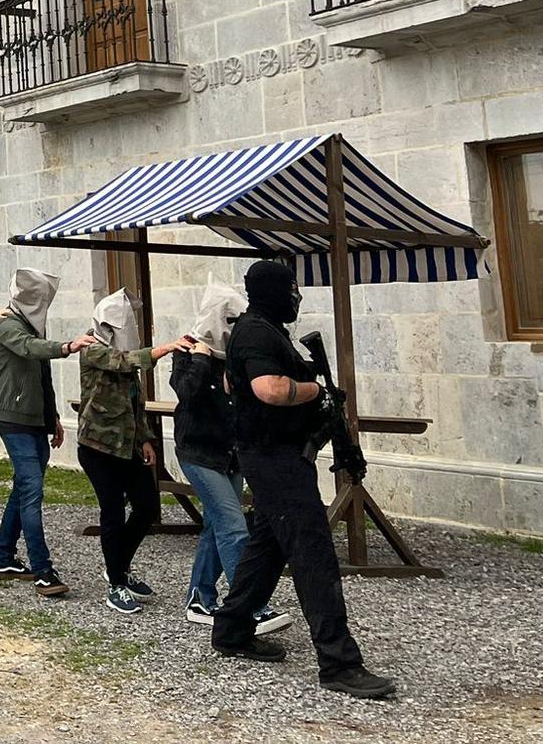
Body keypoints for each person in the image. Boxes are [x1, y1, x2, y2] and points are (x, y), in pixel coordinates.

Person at [212, 260, 395, 701]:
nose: (297, 298)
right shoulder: (257, 332)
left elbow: (232, 379)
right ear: (274, 291)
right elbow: (267, 389)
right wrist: (316, 390)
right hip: (273, 458)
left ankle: (232, 630)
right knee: (313, 554)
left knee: (268, 548)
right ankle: (339, 663)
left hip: (278, 455)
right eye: (292, 290)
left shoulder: (264, 330)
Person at [171, 282, 291, 637]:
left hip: (230, 453)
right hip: (198, 452)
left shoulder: (239, 352)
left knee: (216, 525)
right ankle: (249, 604)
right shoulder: (188, 350)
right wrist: (201, 358)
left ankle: (200, 596)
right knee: (233, 526)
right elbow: (185, 392)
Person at [76, 289, 191, 615]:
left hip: (127, 445)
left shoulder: (121, 351)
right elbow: (123, 361)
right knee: (112, 512)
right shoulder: (91, 349)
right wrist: (164, 348)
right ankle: (115, 583)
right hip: (98, 447)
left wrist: (145, 440)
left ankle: (119, 566)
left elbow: (135, 402)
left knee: (146, 507)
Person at [0, 267, 85, 598]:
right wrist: (68, 347)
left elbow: (42, 378)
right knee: (31, 489)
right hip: (13, 419)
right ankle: (43, 570)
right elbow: (30, 349)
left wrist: (52, 418)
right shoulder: (6, 326)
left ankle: (3, 556)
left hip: (34, 419)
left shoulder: (31, 325)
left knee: (24, 487)